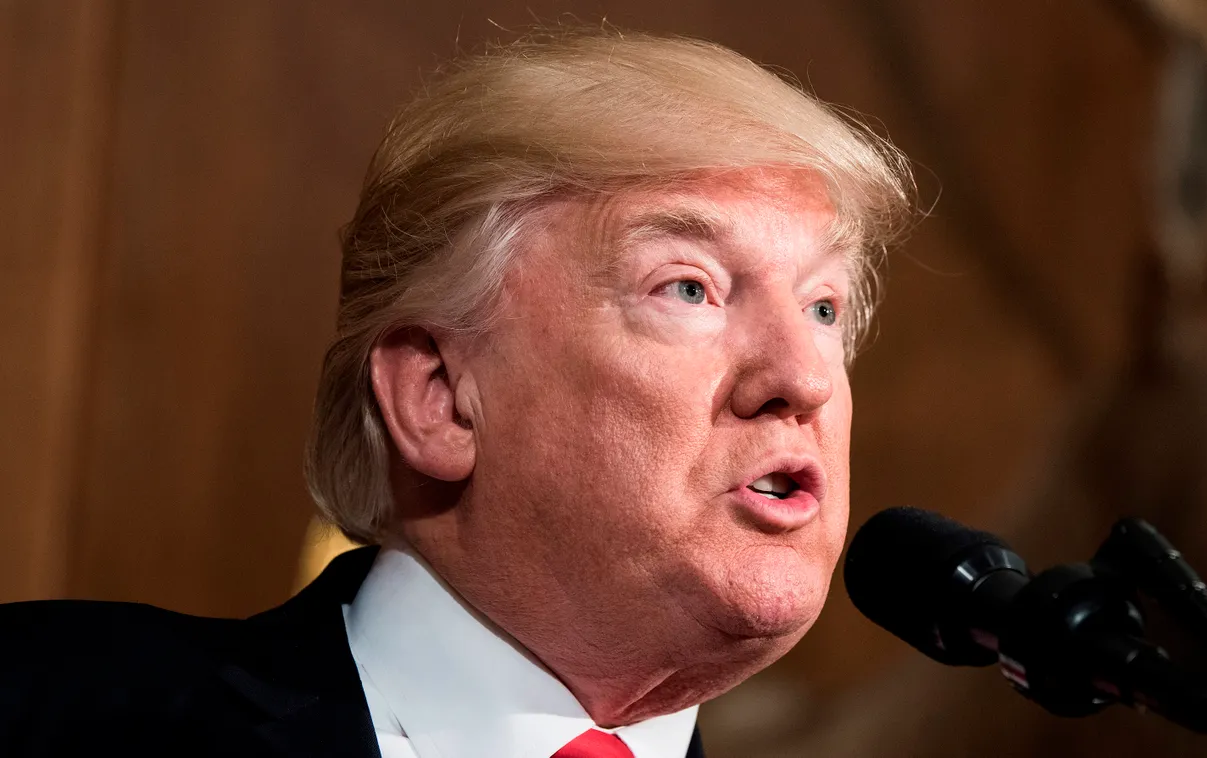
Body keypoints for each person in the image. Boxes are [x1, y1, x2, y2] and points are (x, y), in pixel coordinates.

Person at [0, 28, 912, 757]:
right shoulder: (42, 710)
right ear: (439, 396)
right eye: (688, 288)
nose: (800, 379)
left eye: (822, 306)